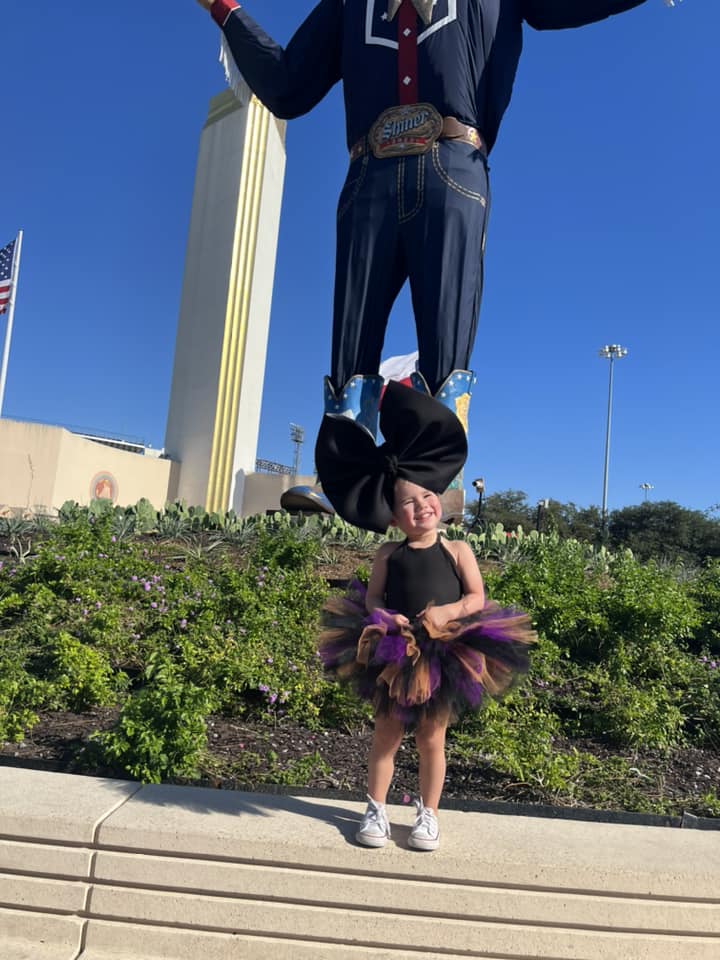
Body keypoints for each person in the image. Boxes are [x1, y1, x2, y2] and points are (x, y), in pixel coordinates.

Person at [193, 0, 648, 440]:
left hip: (451, 163)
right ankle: (350, 482)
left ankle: (431, 490)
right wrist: (223, 8)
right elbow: (288, 86)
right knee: (351, 359)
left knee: (445, 355)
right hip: (373, 172)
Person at [317, 382, 535, 849]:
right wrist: (385, 618)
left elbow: (477, 597)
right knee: (387, 734)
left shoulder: (457, 549)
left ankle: (428, 814)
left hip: (445, 650)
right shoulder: (387, 553)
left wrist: (450, 610)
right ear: (394, 517)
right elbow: (373, 598)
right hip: (394, 650)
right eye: (408, 504)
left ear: (439, 497)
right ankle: (375, 810)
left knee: (432, 738)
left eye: (426, 497)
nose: (422, 507)